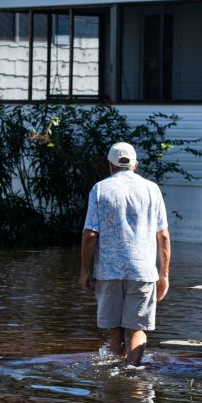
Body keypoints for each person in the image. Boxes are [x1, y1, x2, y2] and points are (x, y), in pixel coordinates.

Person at [79, 142, 171, 366]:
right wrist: (164, 274)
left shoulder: (100, 189)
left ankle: (116, 380)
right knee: (138, 328)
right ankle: (133, 373)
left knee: (115, 328)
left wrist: (84, 272)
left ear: (110, 165)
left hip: (108, 270)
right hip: (143, 270)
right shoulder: (152, 189)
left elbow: (90, 235)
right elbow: (164, 236)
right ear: (135, 165)